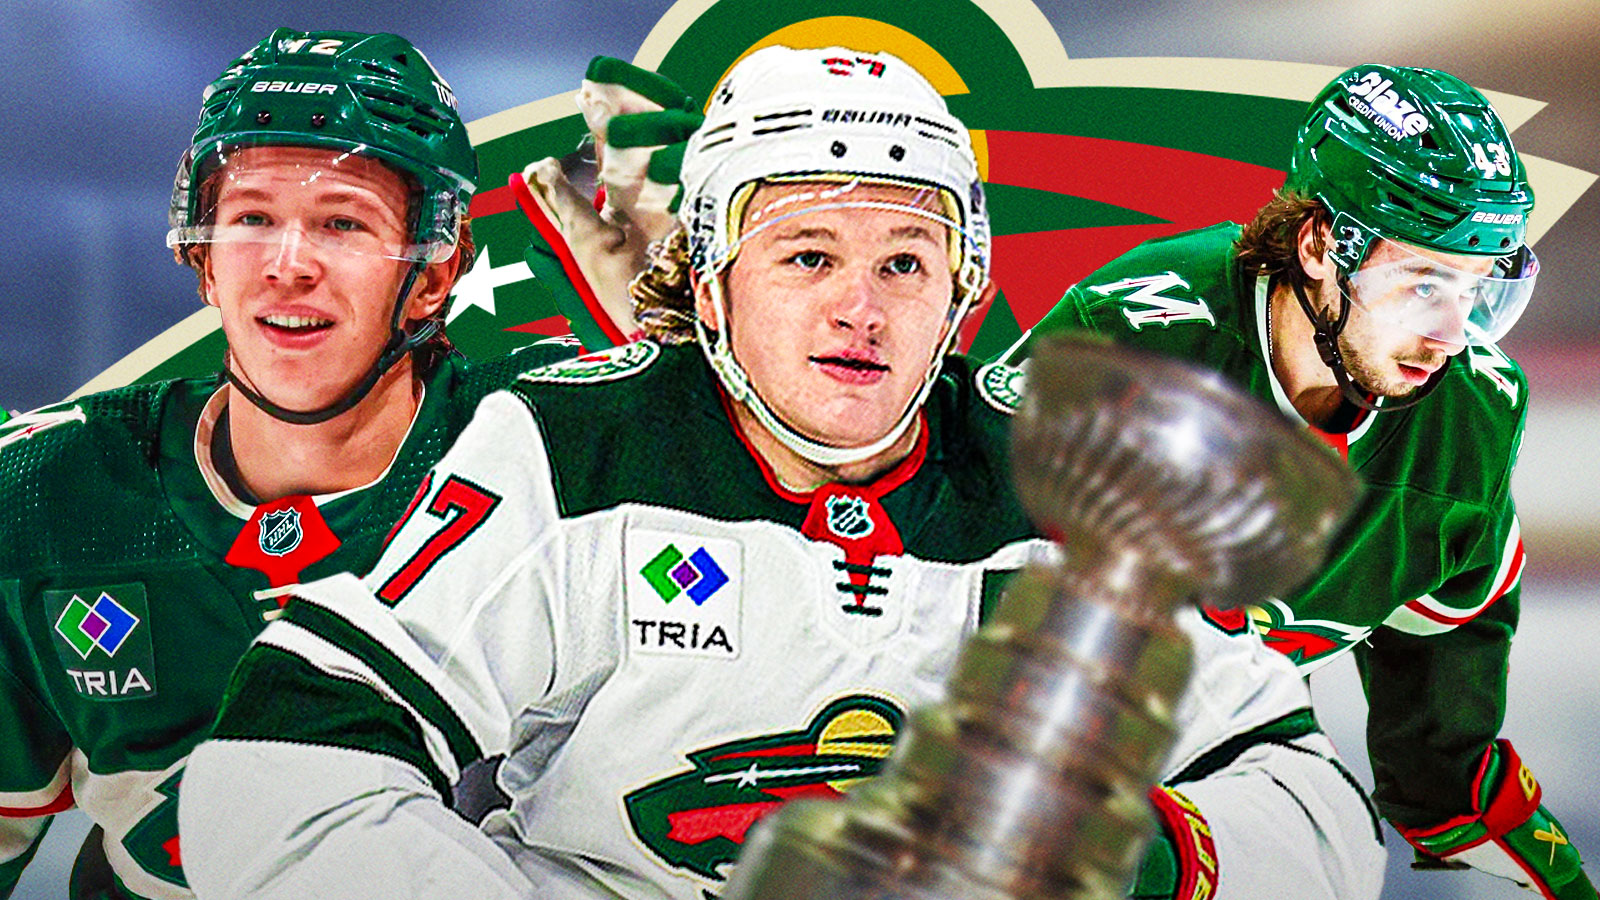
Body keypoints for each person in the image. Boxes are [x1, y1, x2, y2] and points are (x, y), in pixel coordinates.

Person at [180, 45, 1383, 900]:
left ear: (963, 290)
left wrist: (1144, 860)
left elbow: (1307, 799)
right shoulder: (571, 447)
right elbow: (282, 773)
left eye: (908, 262)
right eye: (807, 253)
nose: (860, 307)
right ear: (708, 285)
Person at [0, 28, 584, 899]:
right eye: (253, 219)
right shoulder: (42, 495)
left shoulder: (573, 452)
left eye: (342, 223)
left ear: (432, 273)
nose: (287, 266)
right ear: (201, 253)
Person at [1018, 65, 1593, 898]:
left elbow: (1439, 752)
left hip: (1210, 789)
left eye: (1477, 290)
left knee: (1320, 842)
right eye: (1423, 283)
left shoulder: (1467, 417)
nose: (1449, 334)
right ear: (1320, 246)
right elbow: (926, 586)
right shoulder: (1131, 340)